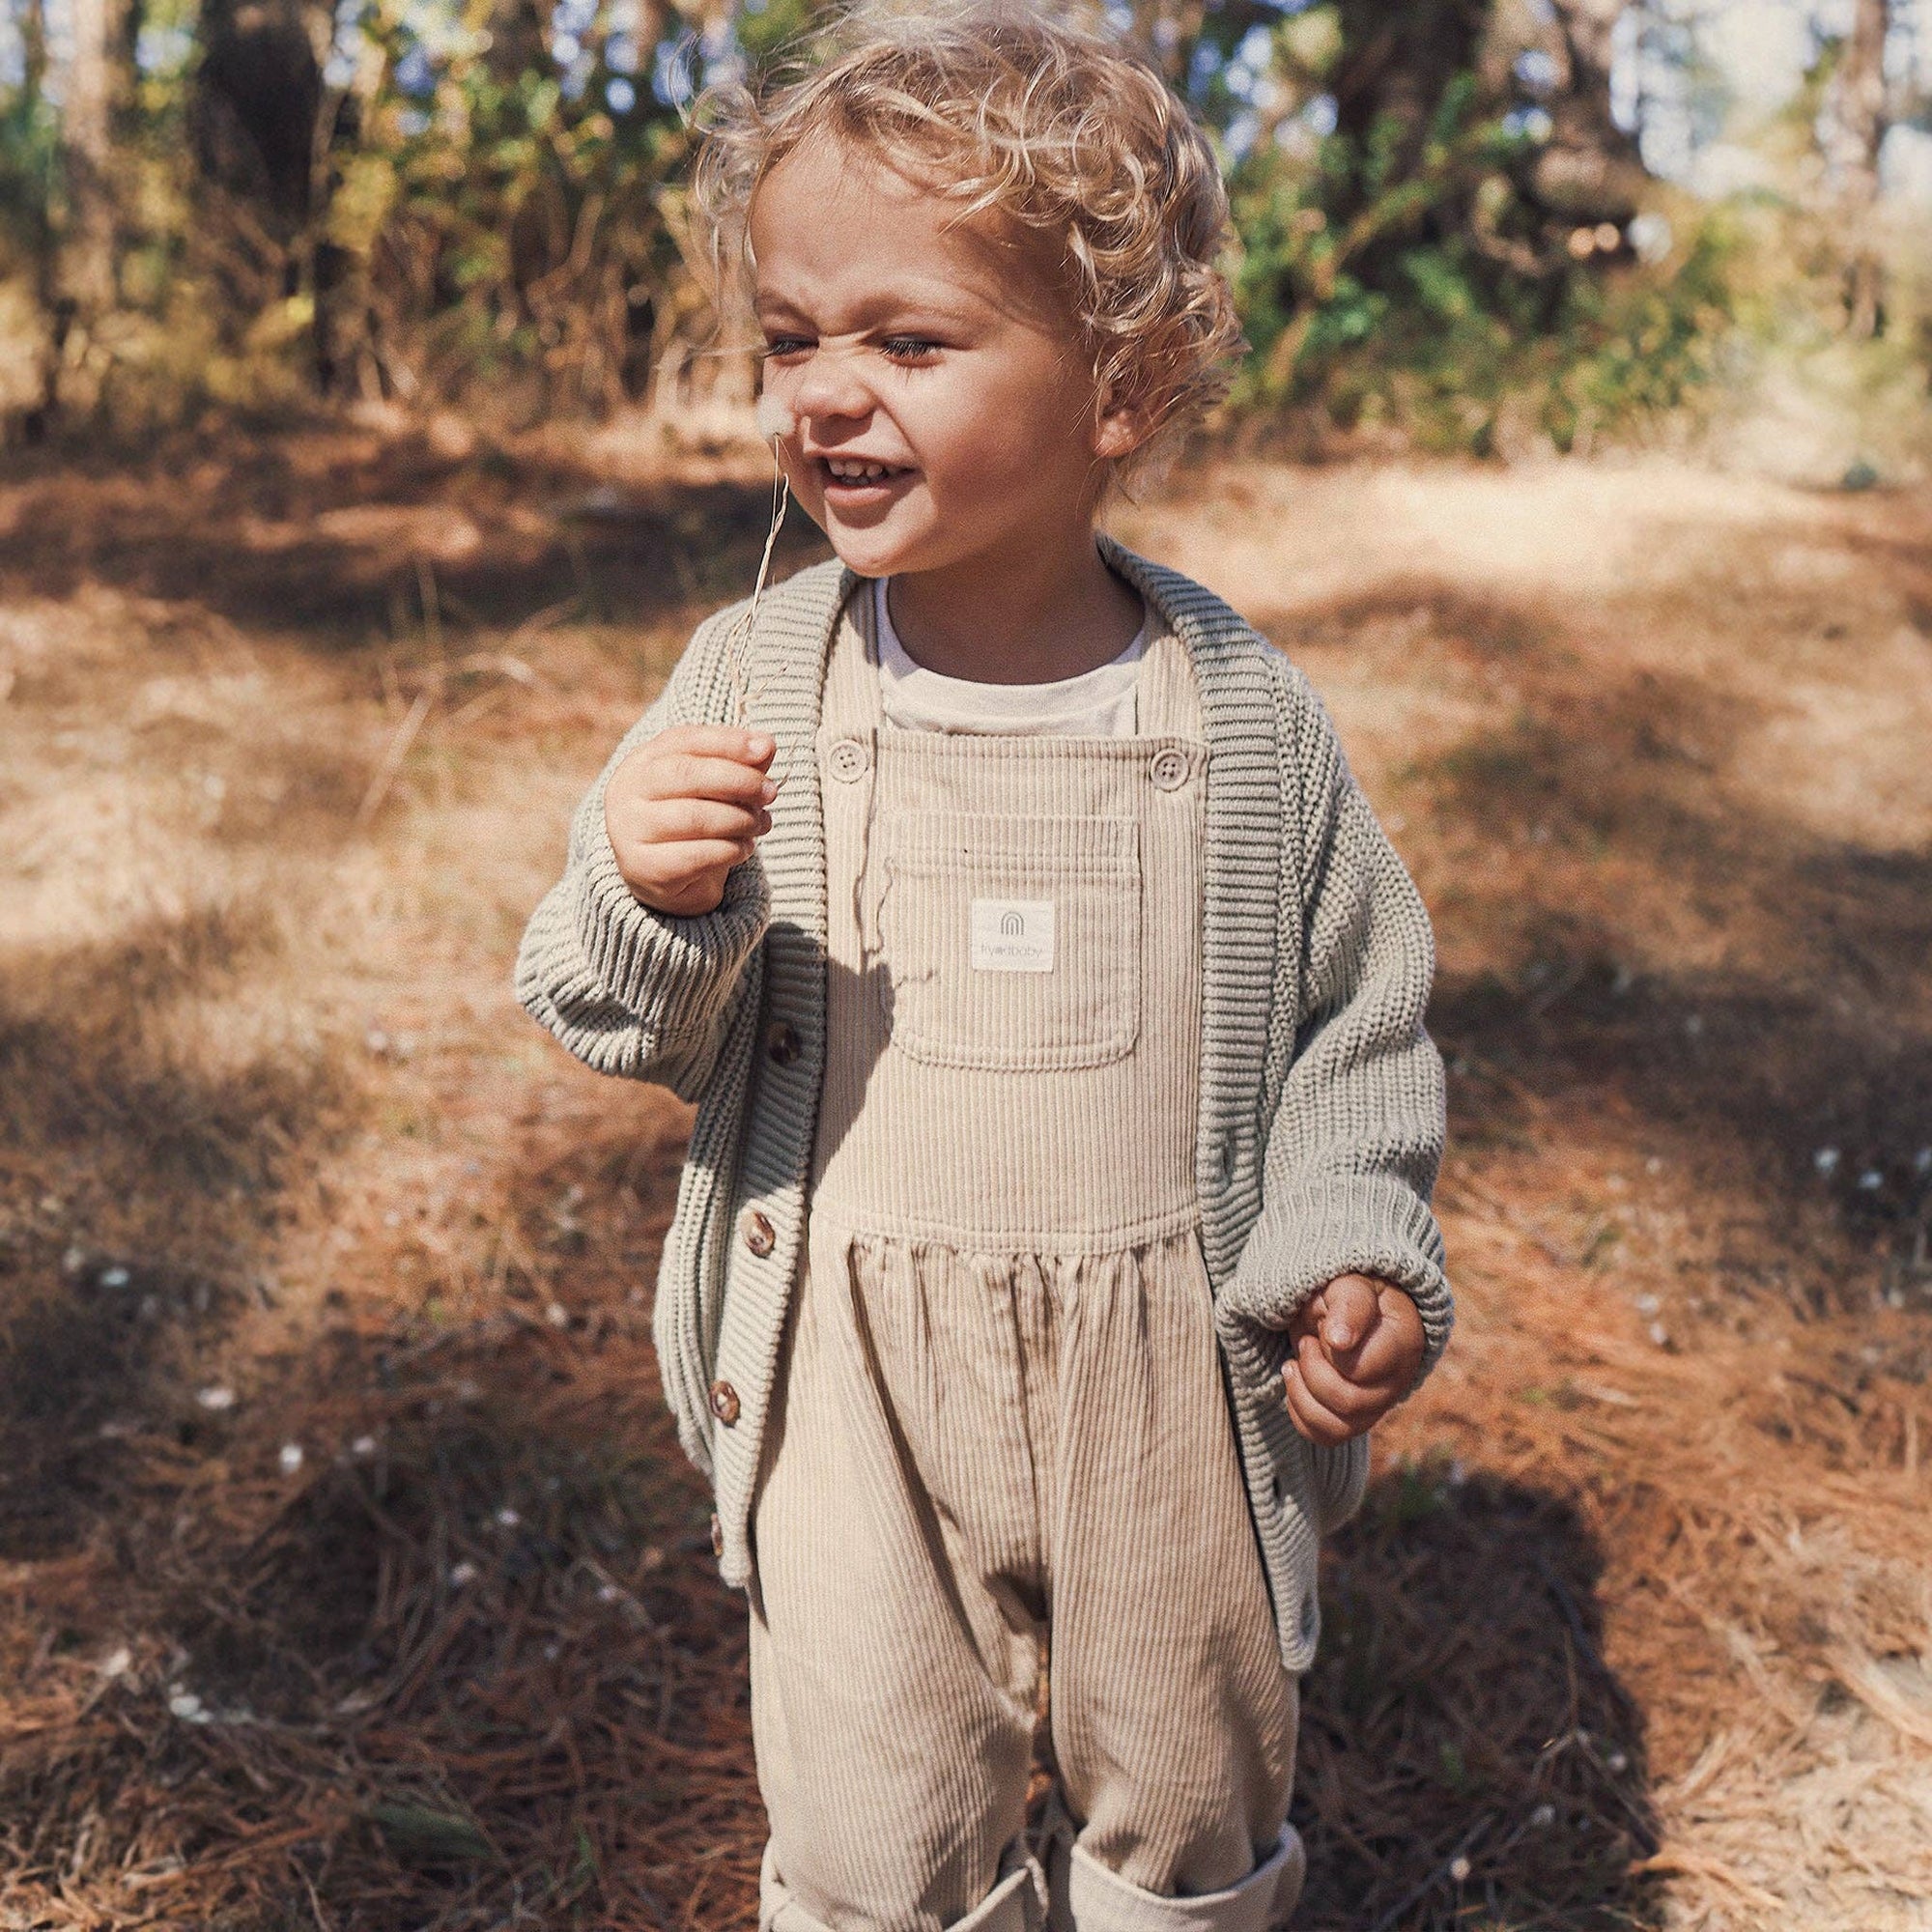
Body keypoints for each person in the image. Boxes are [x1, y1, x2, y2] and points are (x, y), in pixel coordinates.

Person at [516, 7, 1451, 1928]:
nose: (823, 396)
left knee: (1188, 1799)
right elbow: (612, 1011)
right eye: (791, 339)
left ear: (1124, 380)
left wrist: (1351, 1239)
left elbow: (1357, 1025)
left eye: (909, 342)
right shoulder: (757, 679)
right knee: (872, 1833)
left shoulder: (1246, 721)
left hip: (1174, 1380)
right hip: (848, 1370)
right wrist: (646, 884)